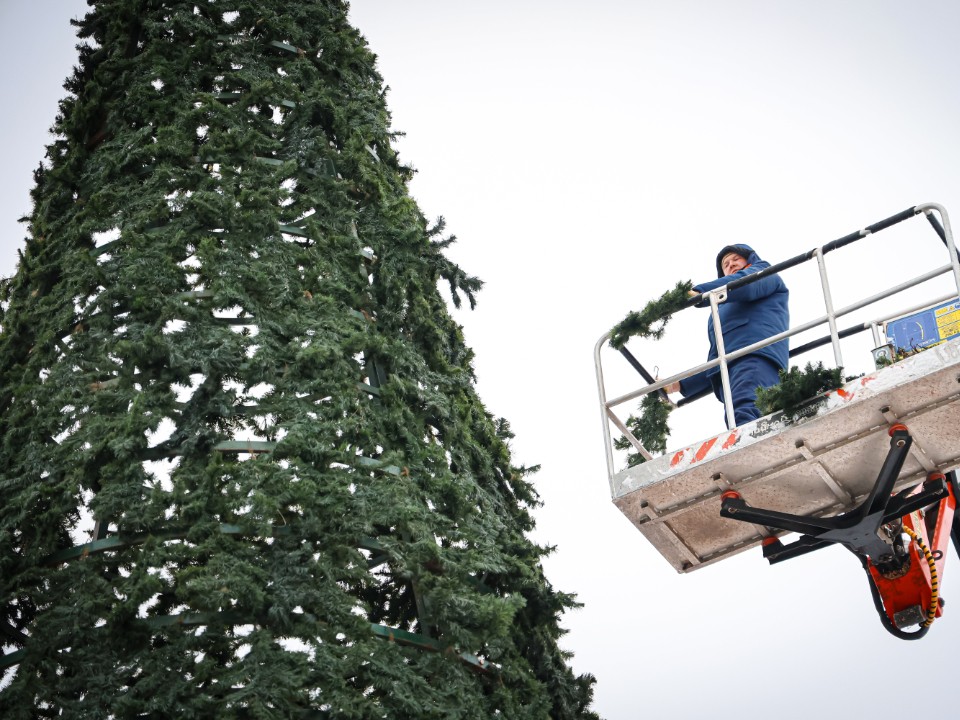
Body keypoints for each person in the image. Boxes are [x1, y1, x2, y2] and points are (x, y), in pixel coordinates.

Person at [664, 244, 789, 427]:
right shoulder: (722, 307)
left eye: (736, 259)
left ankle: (748, 452)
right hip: (733, 367)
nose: (730, 264)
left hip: (754, 357)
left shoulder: (764, 273)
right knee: (737, 419)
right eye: (725, 264)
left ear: (750, 259)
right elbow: (719, 358)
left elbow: (746, 283)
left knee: (748, 415)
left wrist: (700, 293)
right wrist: (679, 384)